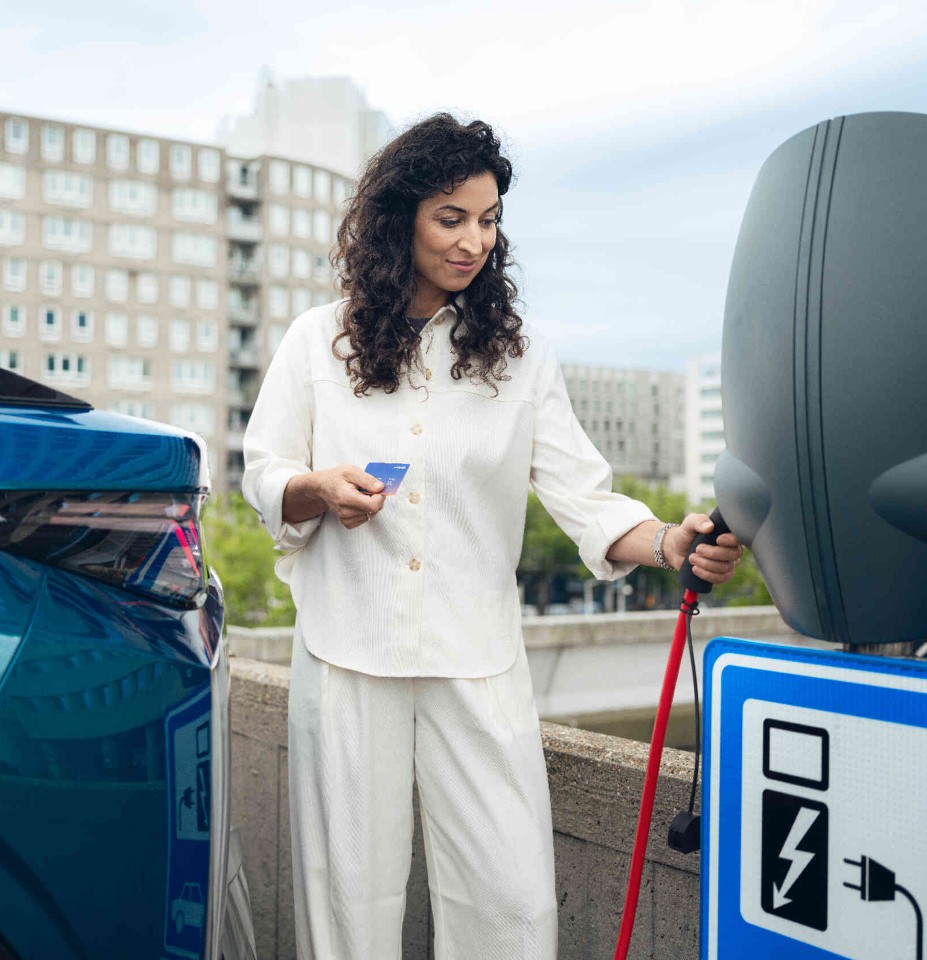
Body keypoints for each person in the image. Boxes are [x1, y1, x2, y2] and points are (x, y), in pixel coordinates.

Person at [241, 114, 744, 960]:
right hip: (345, 652)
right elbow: (263, 474)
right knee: (345, 901)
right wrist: (317, 489)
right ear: (399, 220)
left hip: (478, 661)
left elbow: (586, 499)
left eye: (489, 218)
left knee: (508, 901)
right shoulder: (314, 341)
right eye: (452, 217)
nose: (475, 239)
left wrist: (671, 543)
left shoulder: (522, 358)